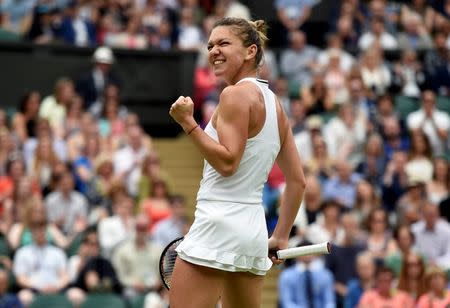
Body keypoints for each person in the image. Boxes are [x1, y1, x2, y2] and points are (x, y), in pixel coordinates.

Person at [168, 17, 306, 308]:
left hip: (217, 224)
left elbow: (228, 162)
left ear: (250, 51)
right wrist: (280, 236)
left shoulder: (233, 94)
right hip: (252, 232)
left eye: (223, 43)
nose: (214, 50)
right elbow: (297, 182)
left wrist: (188, 123)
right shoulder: (275, 105)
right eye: (210, 45)